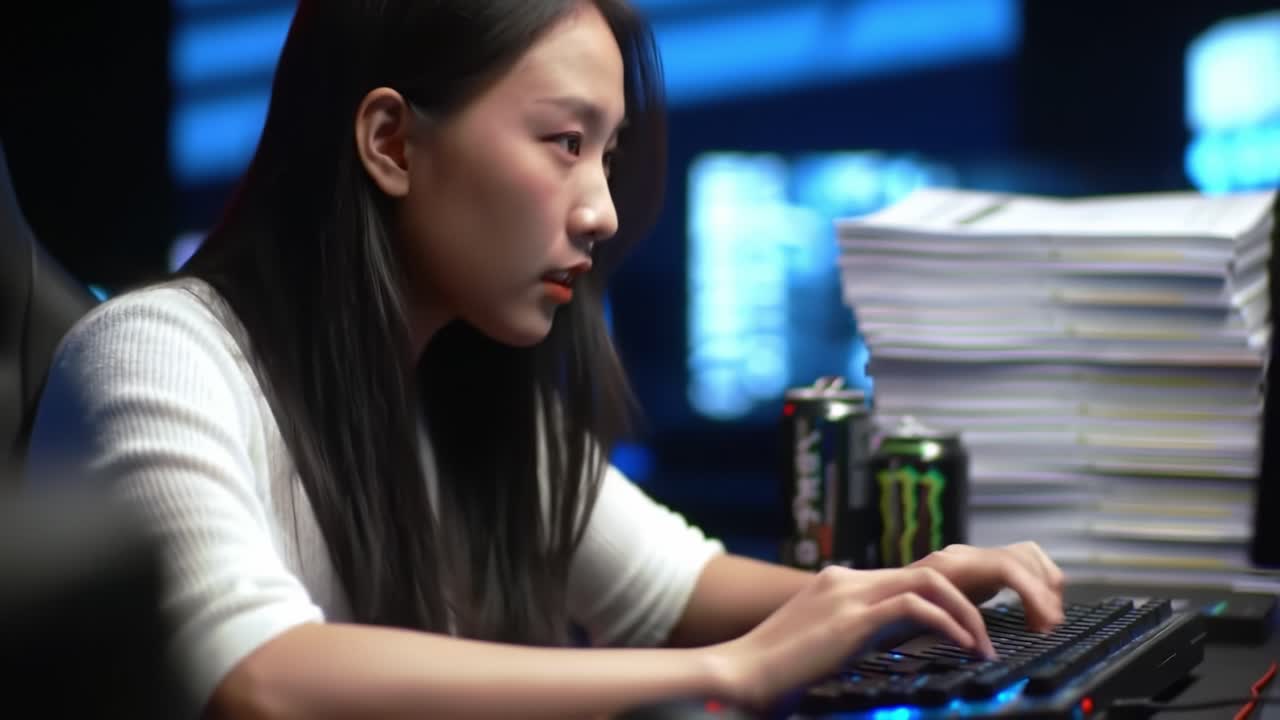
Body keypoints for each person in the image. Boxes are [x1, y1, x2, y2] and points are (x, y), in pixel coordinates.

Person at [25, 1, 1066, 718]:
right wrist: (732, 673)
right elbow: (262, 679)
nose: (603, 210)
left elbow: (678, 586)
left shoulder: (460, 382)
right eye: (564, 143)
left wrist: (901, 589)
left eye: (606, 155)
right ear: (389, 142)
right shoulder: (158, 356)